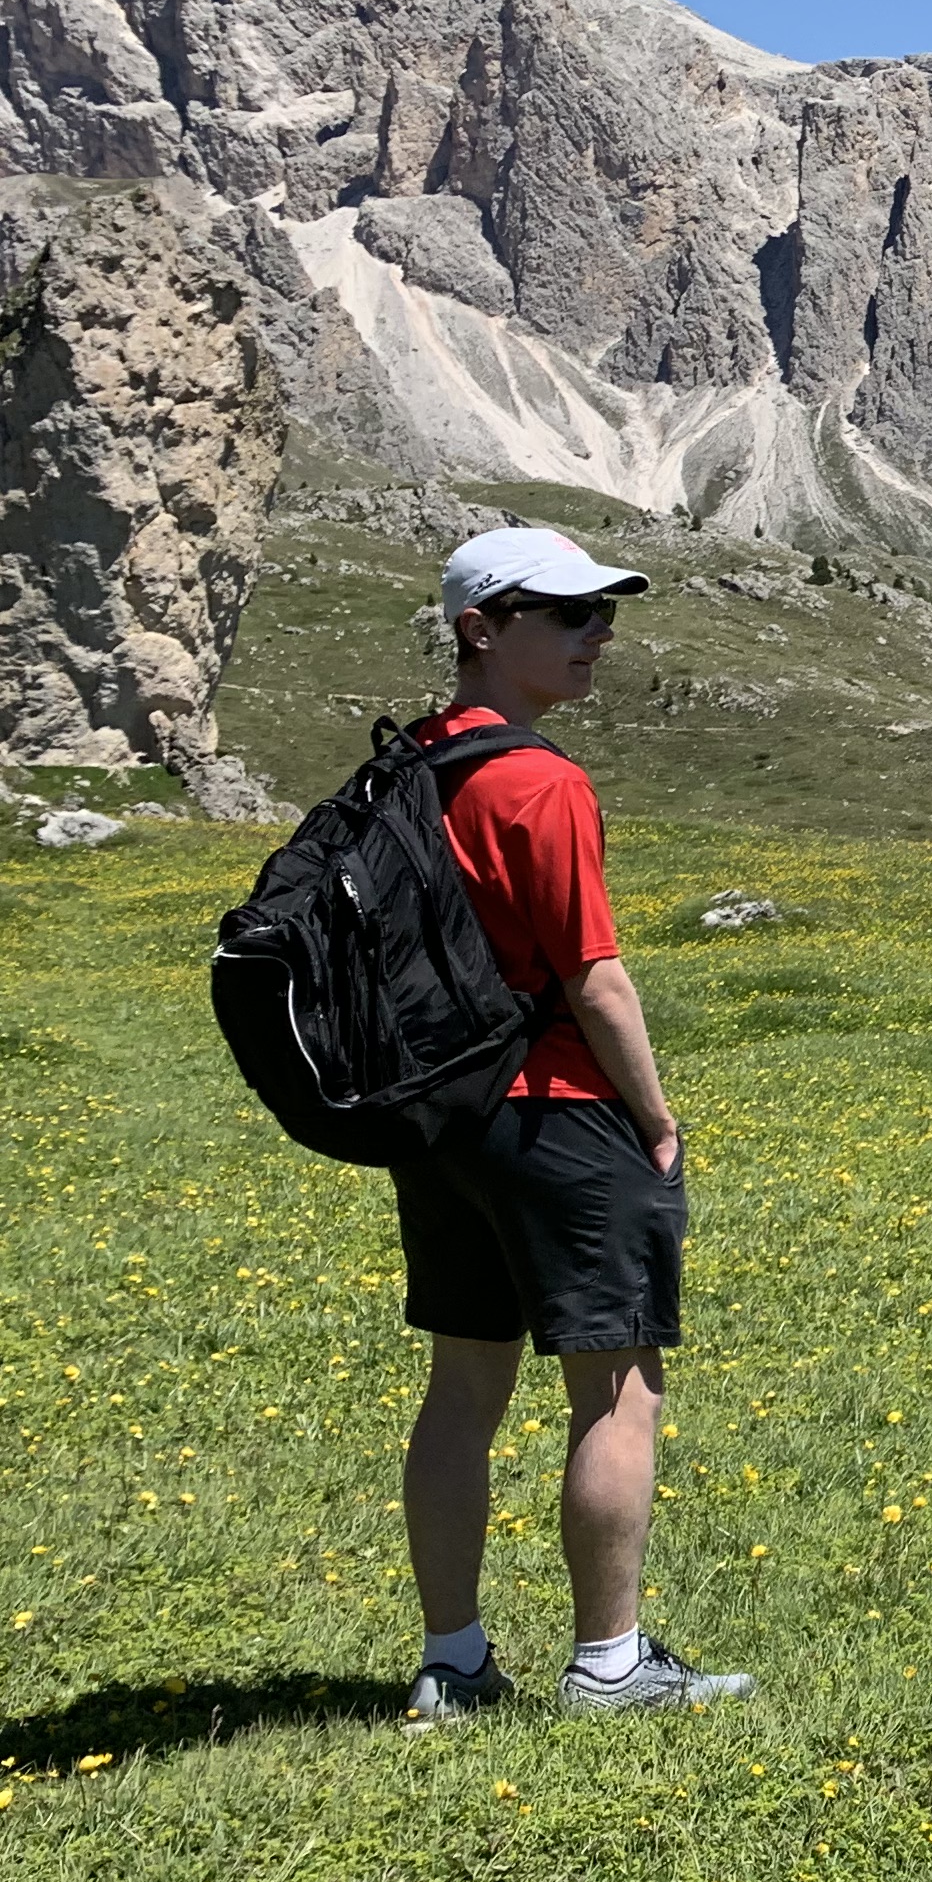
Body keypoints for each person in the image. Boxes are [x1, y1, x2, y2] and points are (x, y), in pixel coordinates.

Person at [394, 525, 751, 1724]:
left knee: (463, 1387)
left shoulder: (416, 767)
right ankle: (610, 1665)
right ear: (482, 631)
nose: (599, 634)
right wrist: (657, 1120)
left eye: (605, 613)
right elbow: (594, 977)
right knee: (616, 1389)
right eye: (569, 614)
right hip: (555, 1113)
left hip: (444, 1120)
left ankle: (453, 1659)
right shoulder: (539, 781)